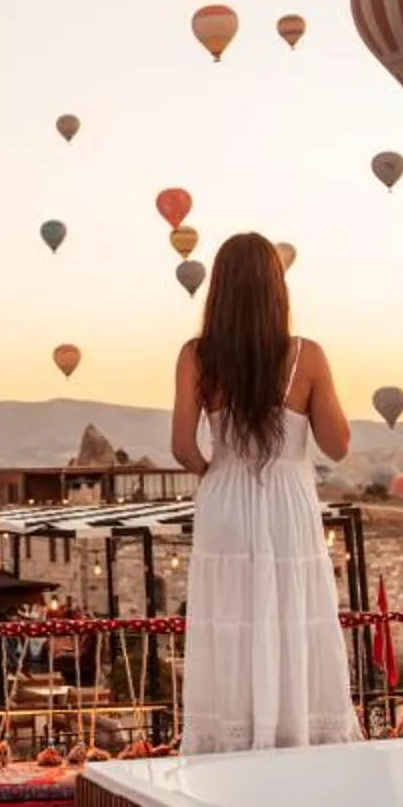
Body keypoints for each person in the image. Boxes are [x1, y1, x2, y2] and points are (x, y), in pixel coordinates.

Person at [169, 230, 359, 754]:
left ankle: (231, 736)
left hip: (224, 496)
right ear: (278, 287)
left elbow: (182, 447)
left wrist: (219, 473)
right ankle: (295, 731)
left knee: (230, 616)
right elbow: (338, 445)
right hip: (288, 496)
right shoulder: (307, 356)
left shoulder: (196, 355)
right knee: (293, 611)